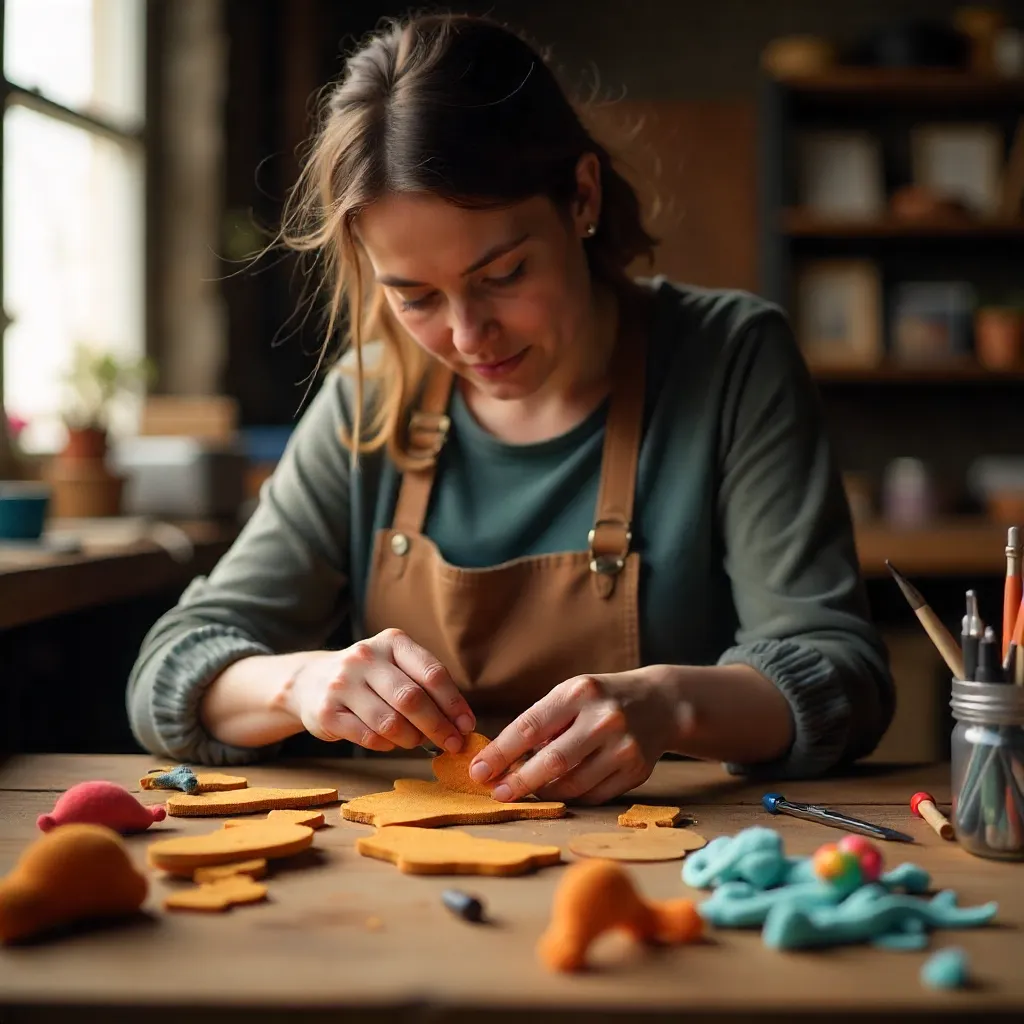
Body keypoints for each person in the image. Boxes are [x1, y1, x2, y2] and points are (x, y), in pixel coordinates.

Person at [127, 12, 894, 804]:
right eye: (415, 297)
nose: (467, 335)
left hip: (670, 869)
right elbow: (171, 668)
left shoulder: (730, 359)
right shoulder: (368, 399)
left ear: (582, 197)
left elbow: (843, 674)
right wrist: (298, 684)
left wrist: (671, 704)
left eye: (503, 274)